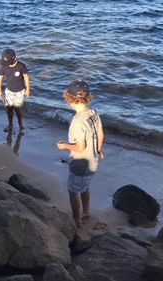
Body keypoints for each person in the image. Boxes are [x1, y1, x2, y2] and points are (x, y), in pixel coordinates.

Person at [57, 80, 105, 228]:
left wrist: (64, 146)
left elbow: (80, 146)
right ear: (87, 97)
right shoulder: (93, 113)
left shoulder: (77, 122)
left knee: (73, 191)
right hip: (93, 161)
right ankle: (86, 211)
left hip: (80, 163)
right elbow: (101, 134)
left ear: (69, 98)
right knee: (84, 187)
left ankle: (77, 220)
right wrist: (98, 150)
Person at [0, 48, 31, 132]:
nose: (7, 64)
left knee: (17, 108)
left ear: (14, 58)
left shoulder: (21, 66)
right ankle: (10, 125)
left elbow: (26, 77)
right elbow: (0, 78)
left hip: (20, 91)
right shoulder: (4, 66)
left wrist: (28, 89)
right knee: (9, 109)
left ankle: (20, 123)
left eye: (8, 62)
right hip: (9, 91)